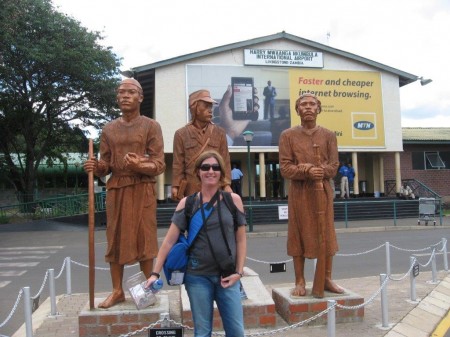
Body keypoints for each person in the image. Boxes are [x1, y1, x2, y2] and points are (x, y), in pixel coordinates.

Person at [83, 78, 165, 309]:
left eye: (130, 92)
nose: (124, 96)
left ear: (140, 97)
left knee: (145, 239)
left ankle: (148, 291)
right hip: (117, 190)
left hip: (142, 189)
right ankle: (117, 290)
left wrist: (139, 164)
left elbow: (159, 164)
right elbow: (105, 165)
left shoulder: (151, 126)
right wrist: (95, 167)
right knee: (115, 239)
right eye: (121, 93)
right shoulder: (109, 129)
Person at [147, 150, 247, 337]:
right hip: (197, 277)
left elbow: (241, 240)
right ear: (198, 172)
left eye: (216, 167)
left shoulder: (233, 201)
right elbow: (168, 241)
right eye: (206, 167)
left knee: (236, 332)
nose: (211, 171)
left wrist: (239, 273)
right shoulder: (188, 203)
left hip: (227, 276)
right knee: (202, 332)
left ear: (221, 173)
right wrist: (154, 273)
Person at [279, 93, 343, 297]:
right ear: (297, 110)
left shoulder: (329, 135)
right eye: (303, 104)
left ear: (319, 108)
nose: (308, 107)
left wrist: (322, 171)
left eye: (312, 104)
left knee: (326, 233)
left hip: (322, 190)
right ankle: (300, 280)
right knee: (298, 234)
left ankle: (326, 278)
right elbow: (285, 168)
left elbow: (334, 165)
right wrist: (306, 170)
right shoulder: (287, 135)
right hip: (299, 192)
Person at [172, 90, 232, 201]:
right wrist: (176, 185)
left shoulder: (220, 132)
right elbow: (178, 163)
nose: (210, 110)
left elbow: (225, 161)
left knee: (214, 216)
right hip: (191, 187)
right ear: (195, 108)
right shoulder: (181, 134)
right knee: (194, 216)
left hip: (214, 185)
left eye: (211, 107)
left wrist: (226, 184)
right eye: (206, 106)